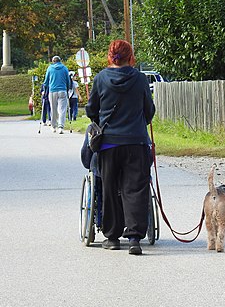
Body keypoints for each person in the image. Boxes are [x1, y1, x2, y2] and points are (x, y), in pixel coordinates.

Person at [85, 39, 155, 255]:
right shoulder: (140, 79)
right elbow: (148, 110)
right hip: (135, 141)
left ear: (110, 55)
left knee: (108, 187)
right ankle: (134, 238)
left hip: (108, 144)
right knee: (135, 188)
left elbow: (91, 110)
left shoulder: (100, 78)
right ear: (130, 56)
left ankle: (112, 237)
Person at [44, 55, 70, 134]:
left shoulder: (50, 68)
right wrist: (67, 89)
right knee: (62, 109)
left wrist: (45, 90)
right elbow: (68, 81)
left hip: (52, 91)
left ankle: (53, 126)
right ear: (60, 61)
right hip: (62, 90)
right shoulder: (65, 68)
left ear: (53, 61)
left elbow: (46, 81)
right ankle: (61, 127)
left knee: (53, 108)